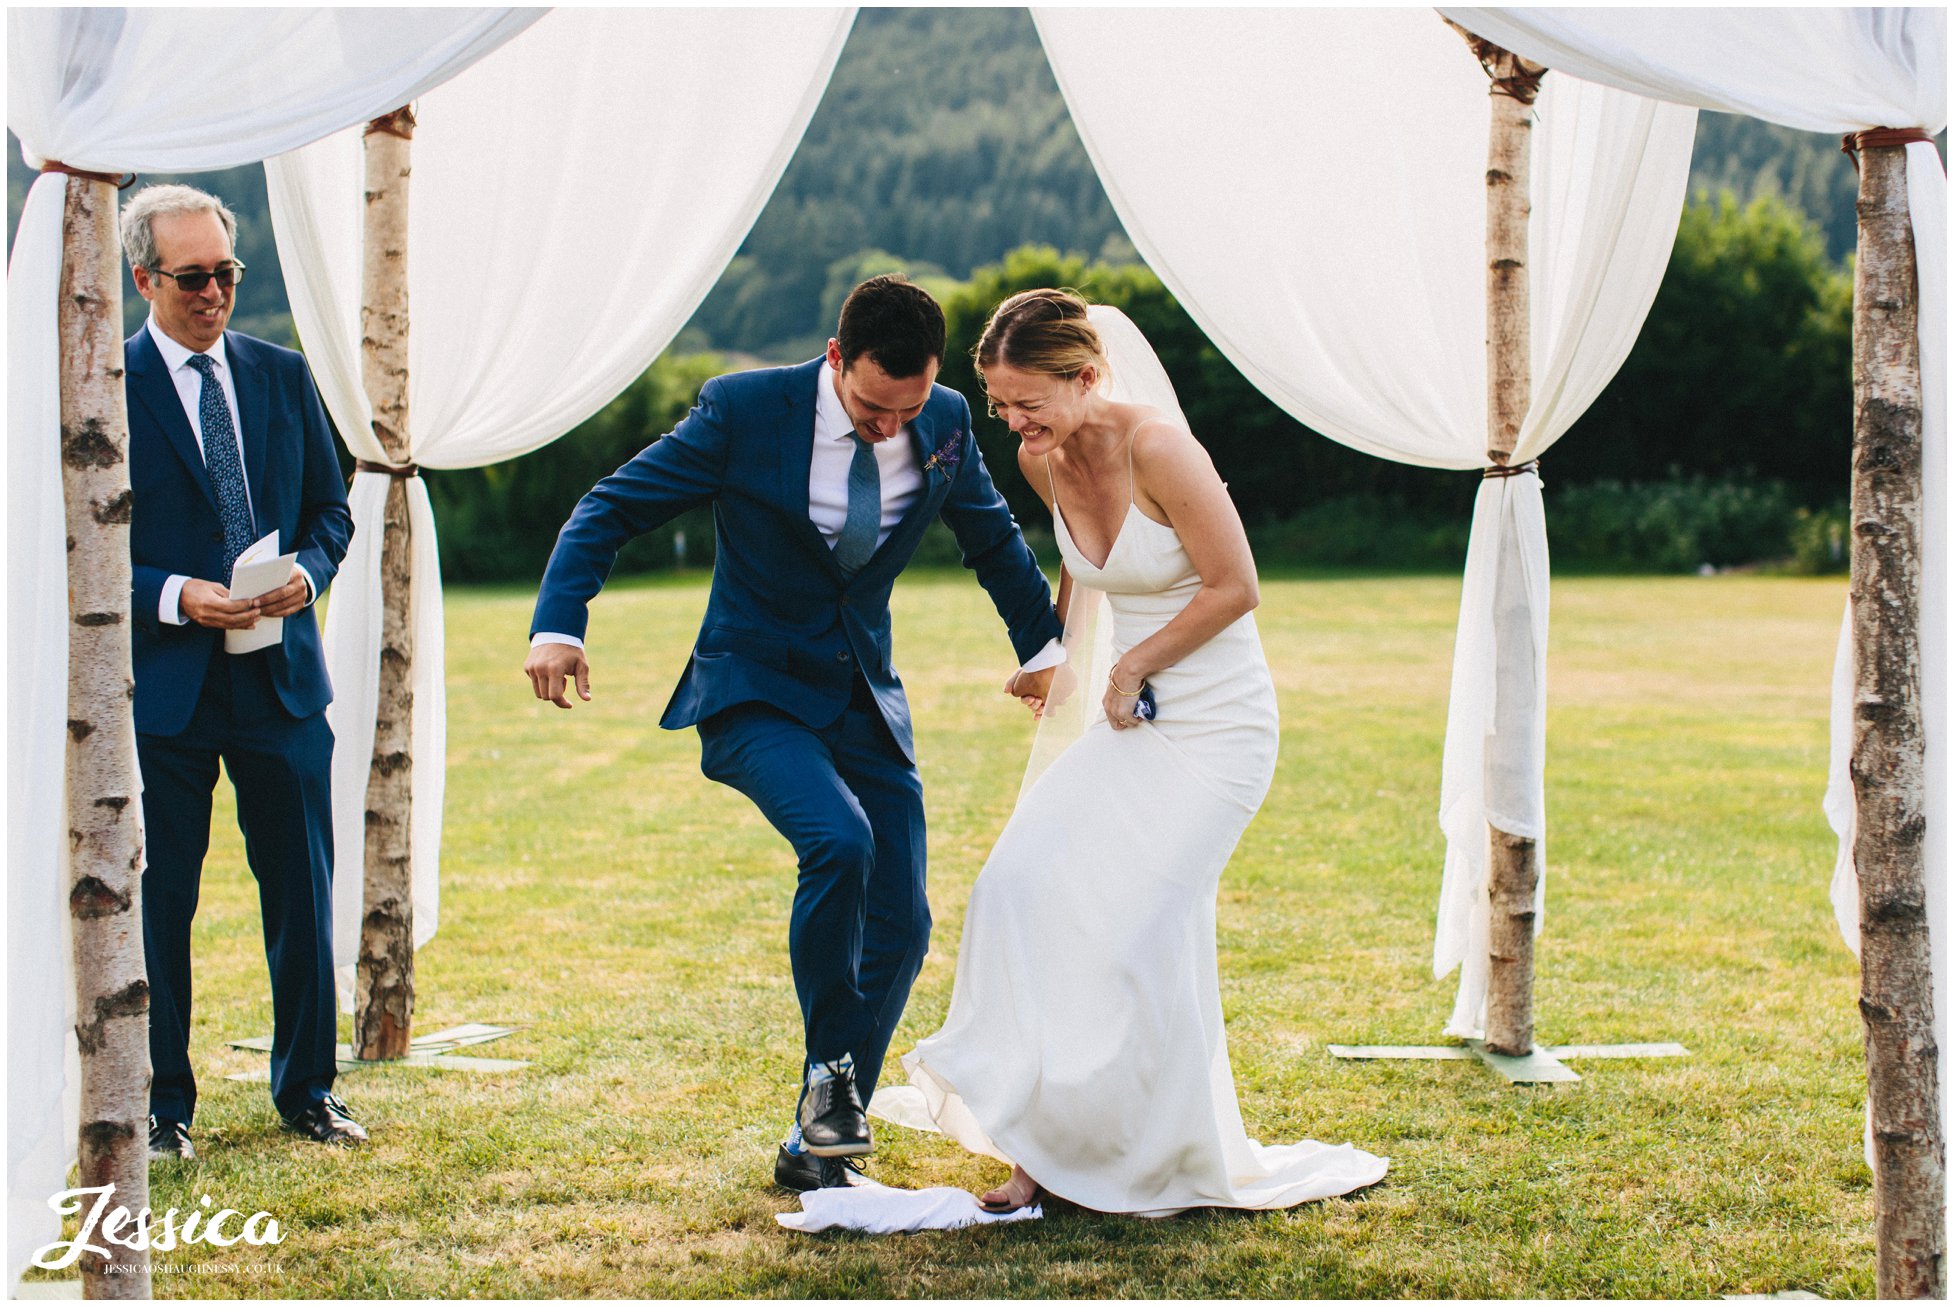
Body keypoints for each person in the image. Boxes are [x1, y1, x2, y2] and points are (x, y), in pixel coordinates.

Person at [524, 276, 1064, 1193]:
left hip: (863, 698)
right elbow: (610, 506)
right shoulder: (744, 411)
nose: (889, 427)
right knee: (838, 840)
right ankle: (830, 1082)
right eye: (869, 407)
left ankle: (817, 1141)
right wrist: (558, 624)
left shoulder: (943, 422)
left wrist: (1045, 649)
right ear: (833, 360)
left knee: (903, 918)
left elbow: (994, 541)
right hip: (752, 689)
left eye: (907, 407)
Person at [899, 290, 1388, 1217]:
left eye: (1029, 402)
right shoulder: (1040, 456)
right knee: (1017, 886)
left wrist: (1131, 665)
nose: (1013, 422)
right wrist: (1059, 661)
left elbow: (1235, 585)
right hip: (1131, 721)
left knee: (1133, 935)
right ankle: (1037, 1142)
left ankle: (1141, 1151)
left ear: (1087, 378)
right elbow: (1086, 568)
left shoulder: (1160, 447)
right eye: (1001, 404)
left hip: (1217, 730)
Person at [122, 184, 363, 1159]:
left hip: (281, 680)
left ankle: (308, 1090)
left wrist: (308, 573)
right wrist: (180, 592)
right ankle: (158, 1106)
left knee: (303, 890)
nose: (215, 291)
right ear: (144, 278)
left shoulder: (280, 374)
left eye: (227, 272)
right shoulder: (98, 382)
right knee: (160, 899)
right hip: (165, 688)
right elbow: (65, 539)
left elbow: (330, 509)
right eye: (193, 277)